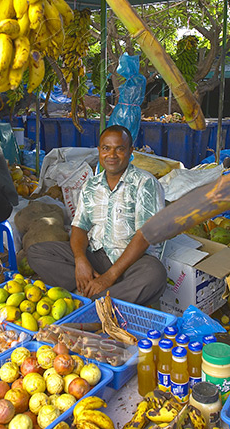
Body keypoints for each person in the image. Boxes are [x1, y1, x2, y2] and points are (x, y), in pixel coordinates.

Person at [26, 125, 167, 305]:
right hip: (97, 256)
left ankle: (91, 300)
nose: (112, 155)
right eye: (106, 148)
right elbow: (79, 226)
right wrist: (81, 260)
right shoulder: (91, 185)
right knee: (37, 253)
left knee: (155, 274)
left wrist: (109, 277)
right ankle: (103, 297)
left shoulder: (145, 183)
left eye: (120, 149)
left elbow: (144, 236)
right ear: (99, 150)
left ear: (131, 151)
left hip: (132, 262)